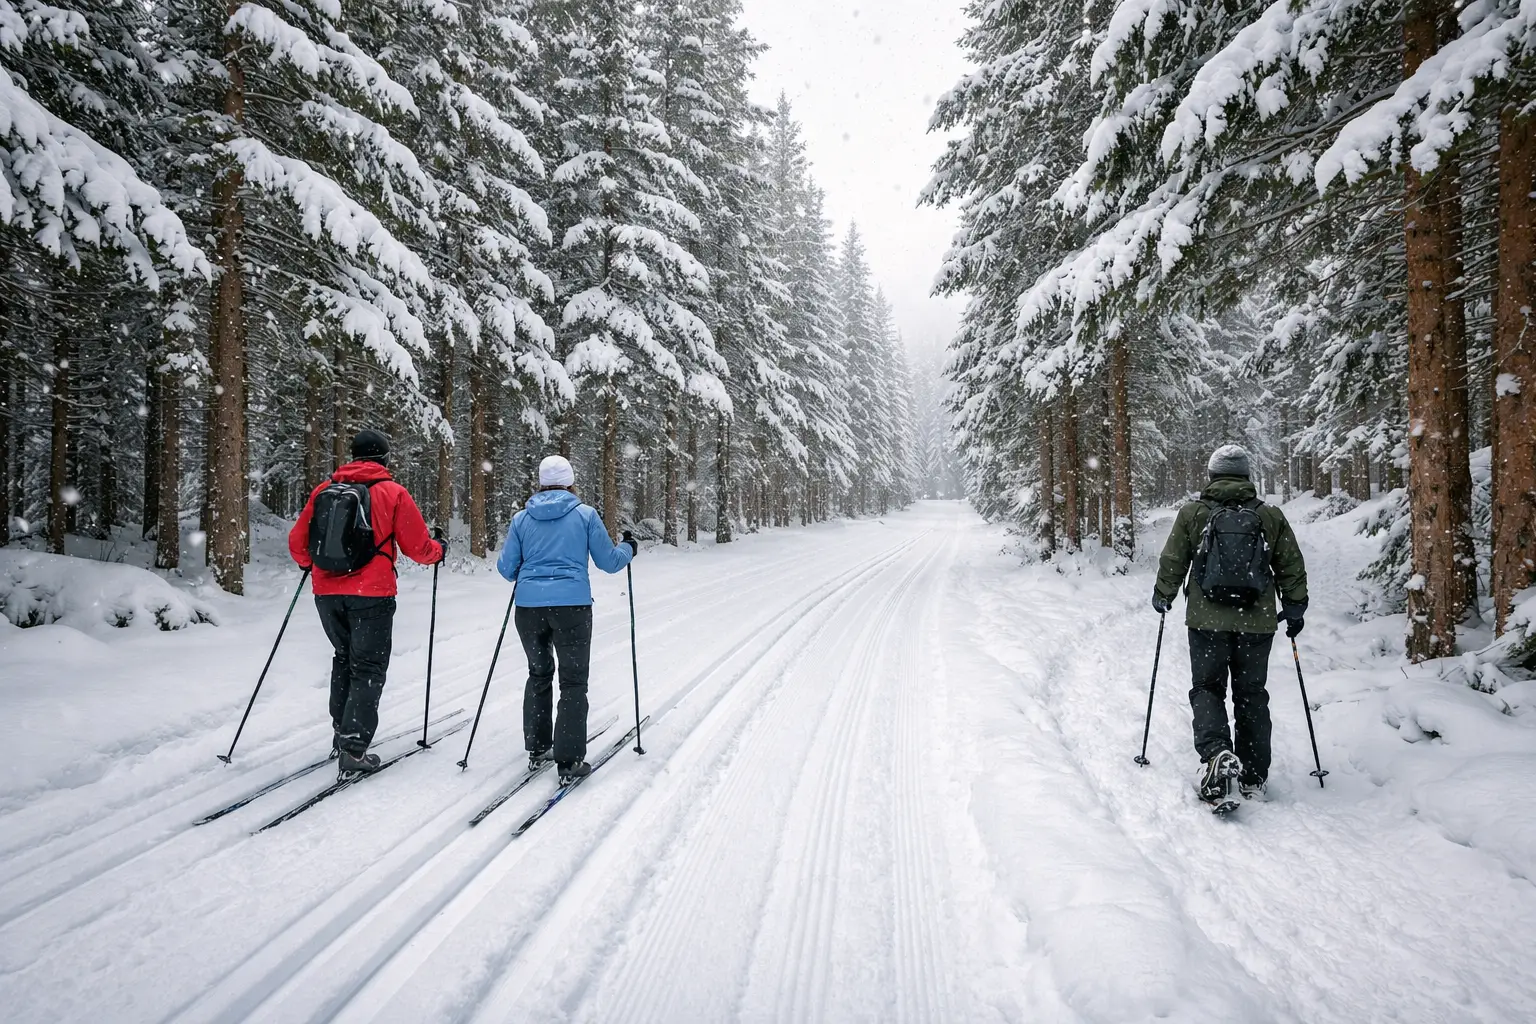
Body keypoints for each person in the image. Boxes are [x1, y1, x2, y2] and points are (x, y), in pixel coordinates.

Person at [1151, 444, 1308, 805]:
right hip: (1257, 622)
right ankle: (1253, 775)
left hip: (1206, 621)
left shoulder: (1193, 513)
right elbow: (1290, 564)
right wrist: (1295, 607)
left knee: (1207, 687)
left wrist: (1164, 595)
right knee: (1251, 694)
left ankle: (1216, 754)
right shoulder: (1269, 515)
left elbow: (1173, 558)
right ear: (1246, 476)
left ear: (1212, 475)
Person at [288, 429, 445, 776]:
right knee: (368, 667)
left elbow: (298, 542)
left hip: (326, 593)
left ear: (354, 456)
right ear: (385, 459)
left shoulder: (323, 491)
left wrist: (311, 564)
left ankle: (340, 732)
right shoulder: (392, 493)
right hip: (372, 594)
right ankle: (354, 747)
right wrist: (439, 551)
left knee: (343, 658)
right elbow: (418, 549)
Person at [497, 454, 636, 783]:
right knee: (573, 682)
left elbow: (506, 569)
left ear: (541, 483)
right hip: (572, 608)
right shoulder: (585, 515)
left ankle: (538, 746)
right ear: (571, 482)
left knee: (539, 673)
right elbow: (609, 562)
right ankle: (569, 761)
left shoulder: (521, 519)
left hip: (529, 609)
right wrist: (629, 547)